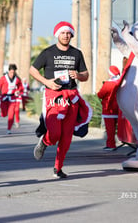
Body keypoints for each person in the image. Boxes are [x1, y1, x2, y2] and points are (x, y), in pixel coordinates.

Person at [29, 21, 91, 179]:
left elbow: (85, 75)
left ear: (72, 35)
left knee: (66, 137)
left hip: (71, 97)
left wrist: (78, 75)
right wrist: (47, 82)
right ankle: (45, 141)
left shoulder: (77, 53)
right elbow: (33, 70)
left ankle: (58, 168)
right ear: (57, 34)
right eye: (63, 33)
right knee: (55, 132)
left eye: (68, 33)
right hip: (54, 97)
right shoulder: (48, 52)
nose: (66, 35)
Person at [97, 65, 121, 150]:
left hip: (108, 109)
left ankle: (111, 145)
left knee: (110, 129)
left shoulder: (108, 84)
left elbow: (100, 95)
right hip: (120, 108)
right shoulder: (121, 83)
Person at [0, 64, 23, 134]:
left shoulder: (17, 79)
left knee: (11, 114)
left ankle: (9, 129)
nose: (12, 74)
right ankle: (3, 113)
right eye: (11, 72)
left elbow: (21, 87)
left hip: (12, 98)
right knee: (4, 114)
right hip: (4, 98)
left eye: (13, 73)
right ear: (8, 71)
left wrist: (19, 91)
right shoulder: (3, 78)